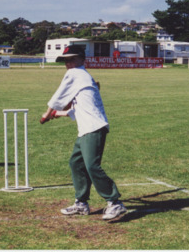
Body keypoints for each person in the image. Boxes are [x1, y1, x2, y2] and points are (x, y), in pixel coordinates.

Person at [40, 45, 127, 220]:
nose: (68, 63)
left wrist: (47, 114)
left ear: (81, 59)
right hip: (87, 129)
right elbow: (75, 109)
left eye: (71, 59)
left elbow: (58, 97)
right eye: (65, 60)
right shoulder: (83, 79)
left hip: (93, 128)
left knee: (92, 166)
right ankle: (81, 203)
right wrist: (58, 114)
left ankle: (115, 202)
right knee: (76, 163)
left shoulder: (76, 73)